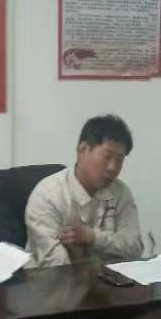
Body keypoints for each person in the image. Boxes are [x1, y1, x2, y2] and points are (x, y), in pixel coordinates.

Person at [25, 114, 145, 269]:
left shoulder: (121, 193)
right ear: (83, 150)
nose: (113, 167)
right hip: (51, 282)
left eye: (119, 160)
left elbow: (135, 249)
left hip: (107, 281)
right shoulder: (47, 196)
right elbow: (58, 267)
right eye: (107, 156)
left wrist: (93, 237)